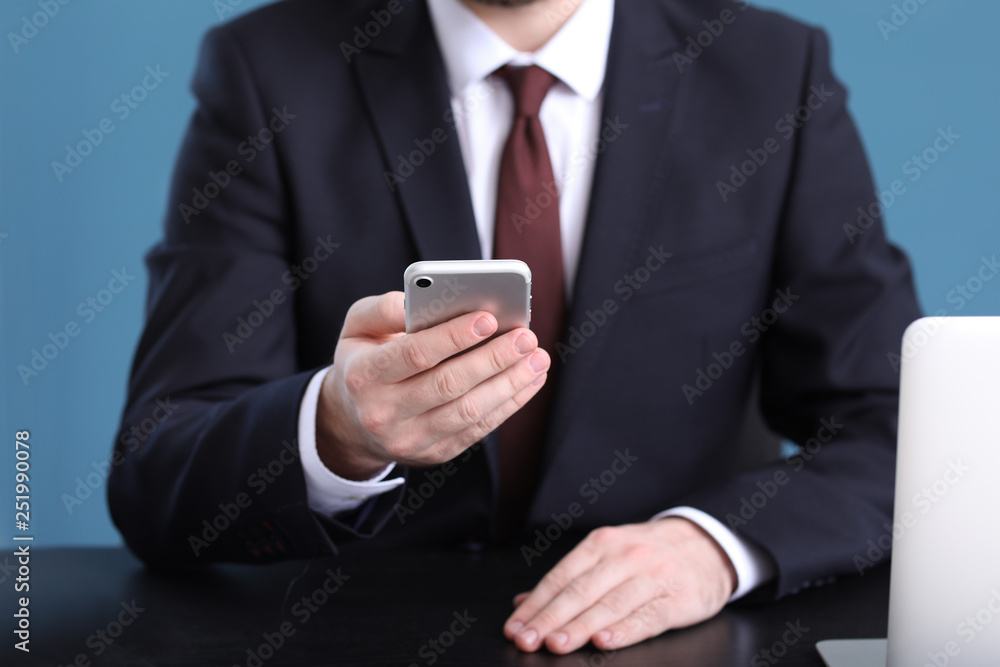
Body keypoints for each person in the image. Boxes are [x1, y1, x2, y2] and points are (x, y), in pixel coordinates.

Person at [108, 0, 921, 655]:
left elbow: (900, 430)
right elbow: (157, 467)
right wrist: (334, 431)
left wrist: (714, 545)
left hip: (677, 640)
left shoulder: (773, 74)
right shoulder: (269, 68)